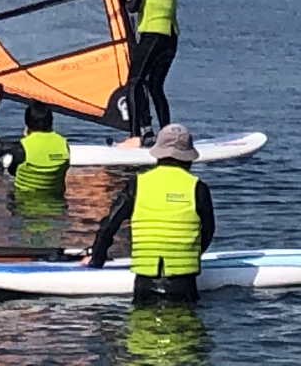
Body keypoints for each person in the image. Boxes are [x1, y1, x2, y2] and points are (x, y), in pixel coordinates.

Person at [84, 124, 215, 303]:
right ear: (189, 158)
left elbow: (109, 225)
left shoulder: (137, 184)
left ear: (158, 154)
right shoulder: (198, 188)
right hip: (184, 286)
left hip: (145, 286)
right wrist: (190, 255)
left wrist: (96, 260)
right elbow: (208, 232)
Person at [124, 0, 179, 141]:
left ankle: (134, 136)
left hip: (152, 36)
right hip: (170, 36)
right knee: (156, 86)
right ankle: (166, 135)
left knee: (134, 83)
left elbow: (132, 7)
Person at [4, 101, 71, 195]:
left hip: (24, 205)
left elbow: (12, 171)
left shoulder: (22, 147)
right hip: (57, 206)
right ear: (51, 121)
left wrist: (27, 139)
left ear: (27, 124)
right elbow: (66, 166)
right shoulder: (63, 144)